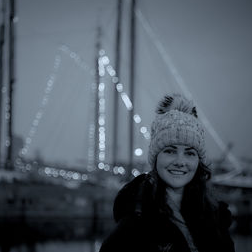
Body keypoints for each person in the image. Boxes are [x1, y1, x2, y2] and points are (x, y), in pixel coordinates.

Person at [99, 93, 235, 252]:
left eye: (190, 153)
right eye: (170, 151)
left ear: (199, 161)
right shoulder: (133, 225)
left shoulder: (216, 219)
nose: (180, 161)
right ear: (155, 158)